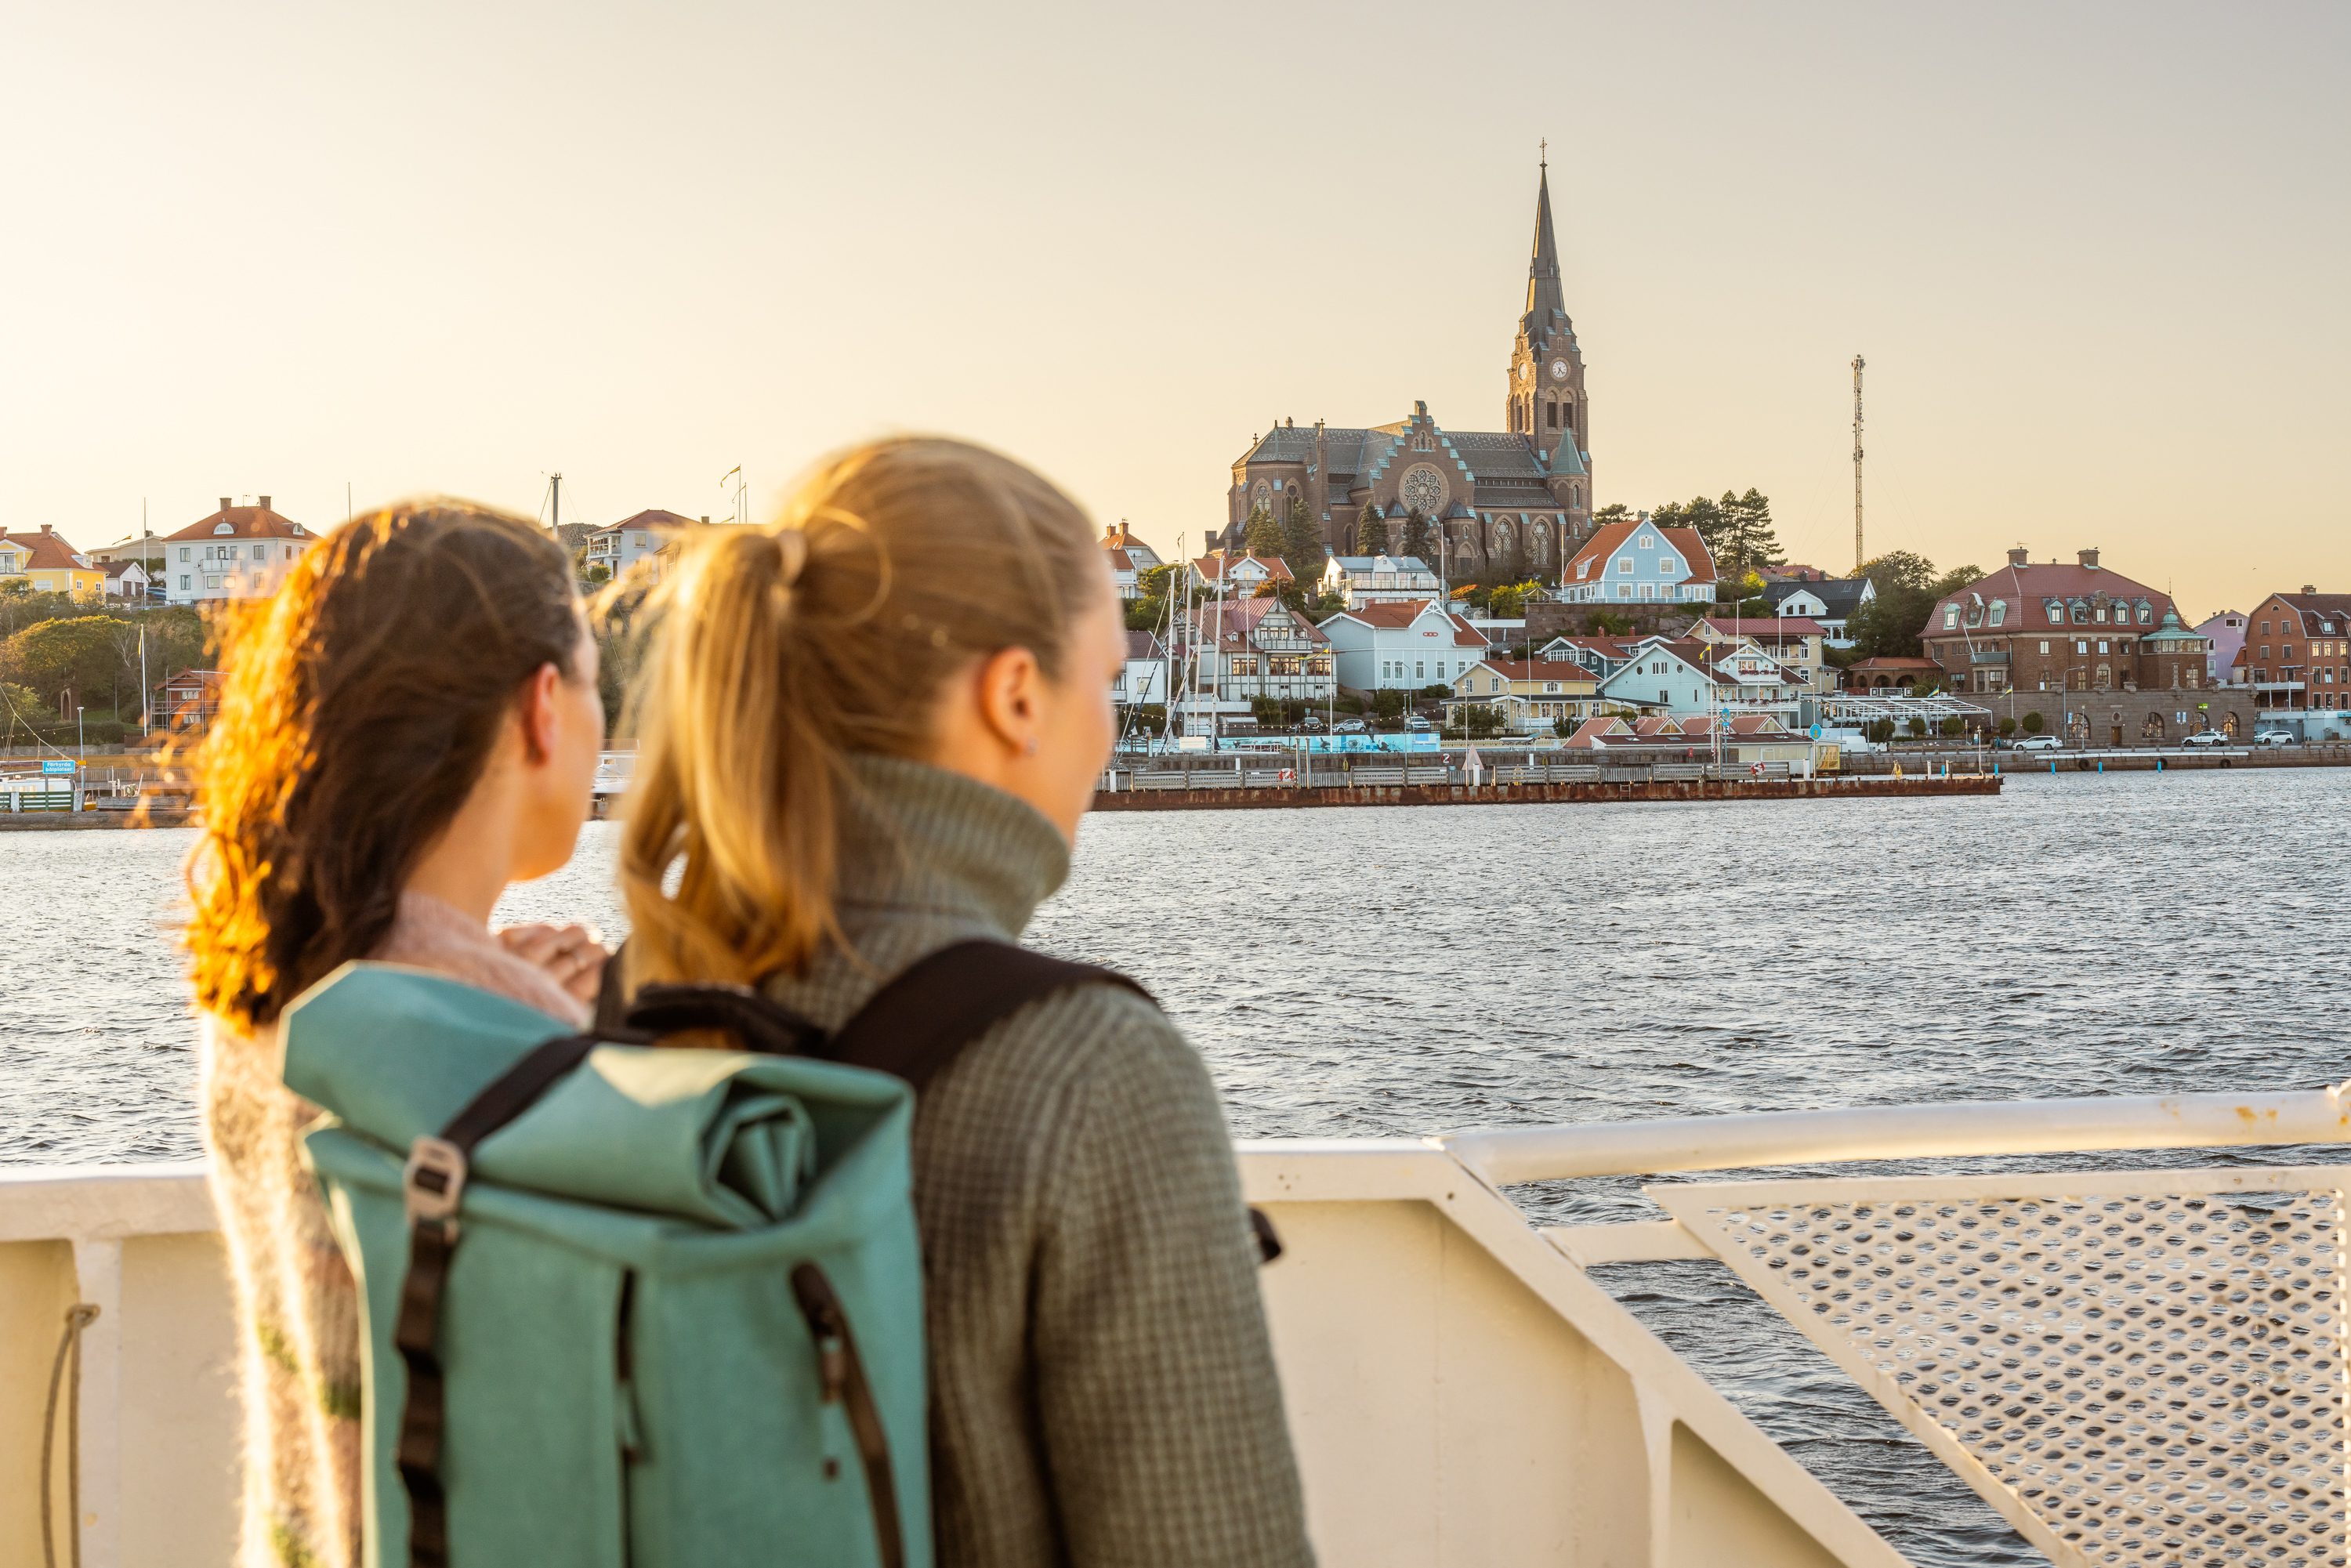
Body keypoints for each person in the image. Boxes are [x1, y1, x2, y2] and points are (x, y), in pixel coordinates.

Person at [615, 438, 1314, 1566]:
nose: (1110, 730)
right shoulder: (1092, 1074)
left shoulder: (630, 1006)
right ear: (1017, 695)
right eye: (1108, 682)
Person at [183, 502, 610, 1568]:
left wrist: (501, 979)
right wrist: (572, 1029)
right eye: (596, 683)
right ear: (542, 707)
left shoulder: (262, 988)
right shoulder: (518, 1044)